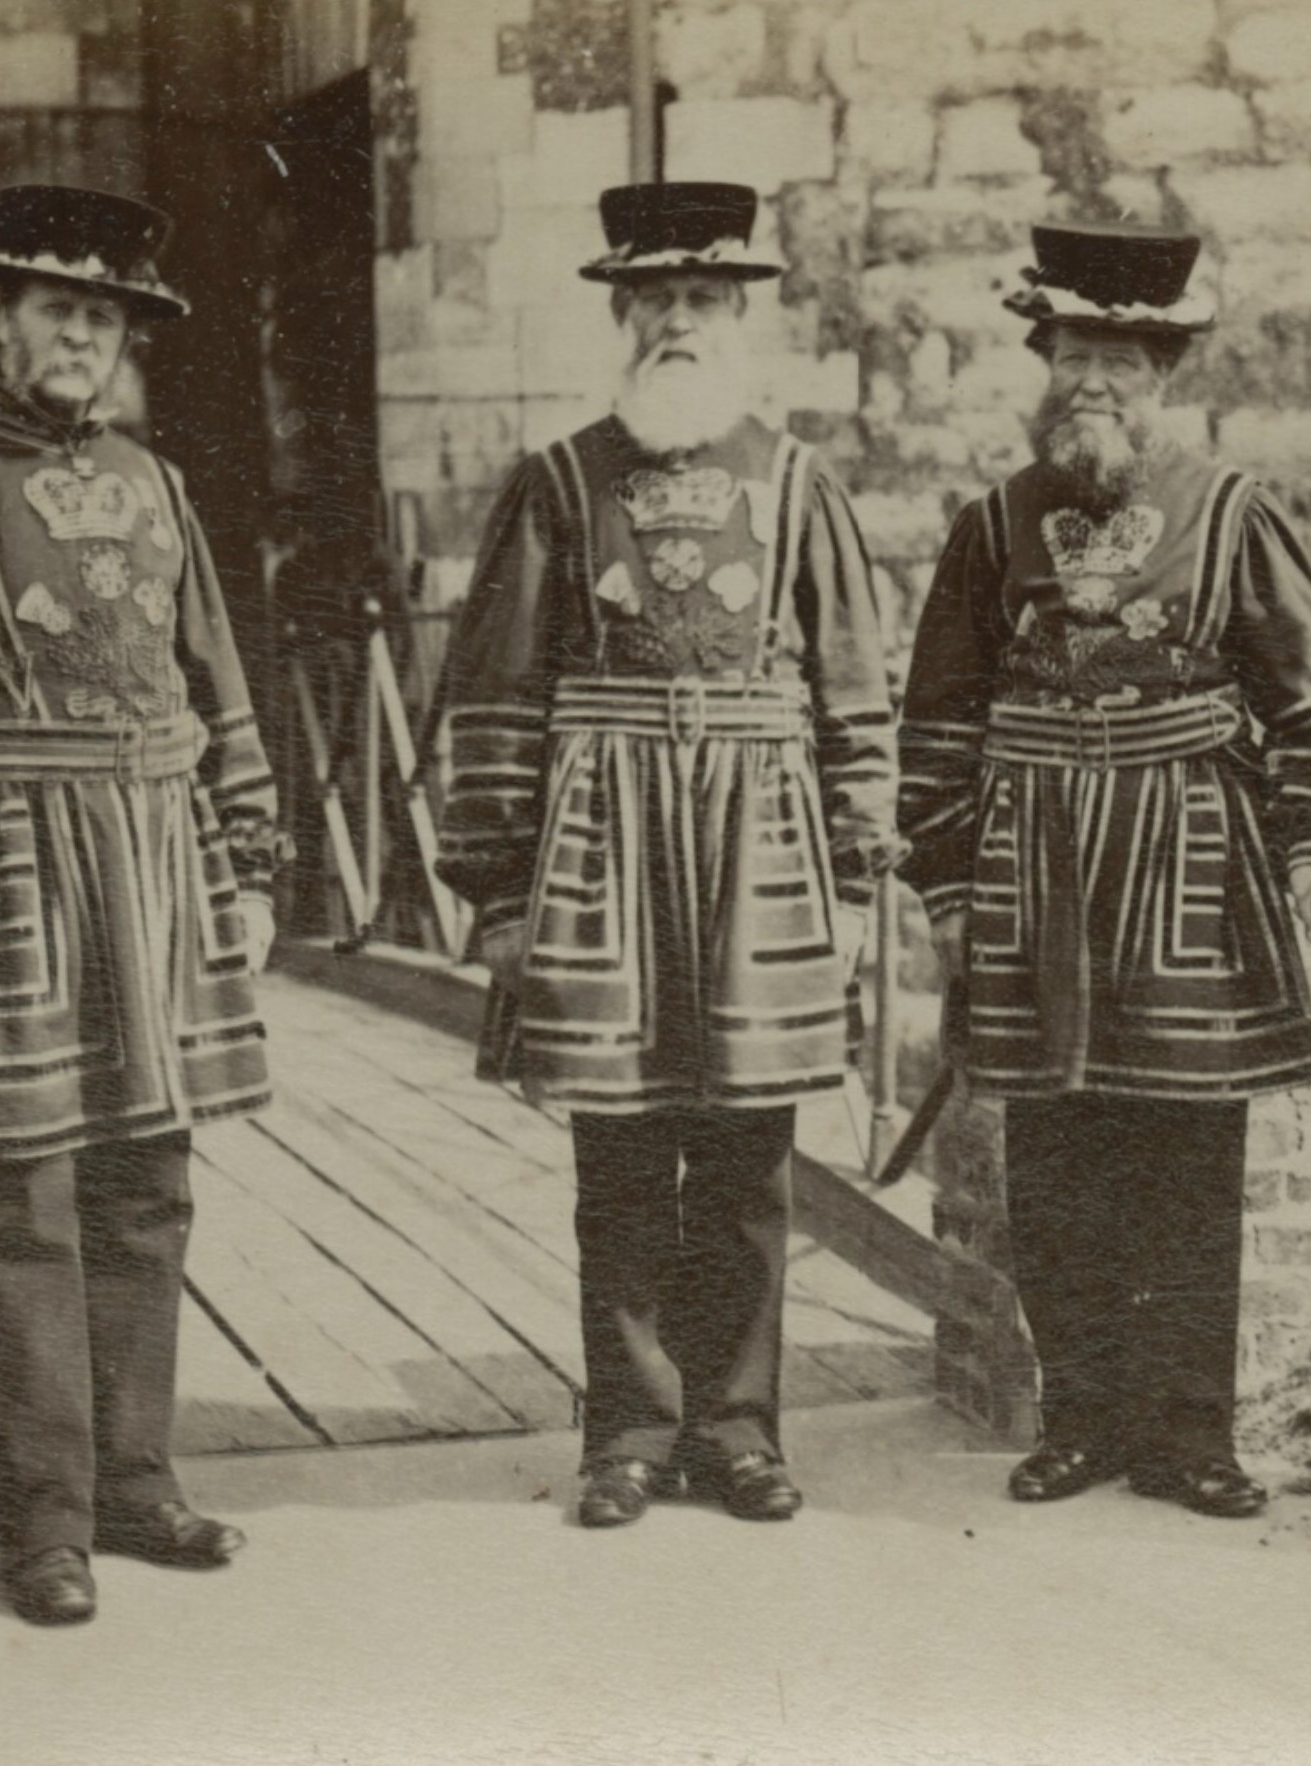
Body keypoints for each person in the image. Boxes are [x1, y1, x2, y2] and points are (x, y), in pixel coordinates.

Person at [0, 185, 281, 1624]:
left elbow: (217, 676)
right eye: (58, 309)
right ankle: (43, 1520)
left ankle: (138, 1483)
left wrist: (249, 854)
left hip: (152, 860)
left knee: (151, 1183)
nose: (84, 336)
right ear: (2, 317)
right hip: (9, 858)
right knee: (22, 1196)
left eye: (107, 316)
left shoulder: (158, 483)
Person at [430, 181, 899, 1530]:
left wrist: (859, 880)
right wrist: (501, 892)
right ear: (622, 317)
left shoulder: (800, 484)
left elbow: (856, 698)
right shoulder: (560, 482)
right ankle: (629, 1428)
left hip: (762, 844)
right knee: (621, 1148)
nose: (679, 323)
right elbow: (495, 693)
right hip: (601, 853)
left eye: (705, 301)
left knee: (751, 1150)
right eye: (656, 302)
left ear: (741, 317)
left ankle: (740, 1426)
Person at [897, 221, 1311, 1519]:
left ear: (1162, 371)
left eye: (1120, 356)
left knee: (1185, 1159)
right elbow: (937, 717)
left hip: (1193, 862)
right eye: (1071, 353)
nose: (1090, 380)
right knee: (1053, 1158)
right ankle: (1082, 1420)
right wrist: (946, 883)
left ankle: (1190, 1435)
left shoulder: (1230, 511)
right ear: (1040, 360)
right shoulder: (993, 526)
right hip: (1035, 873)